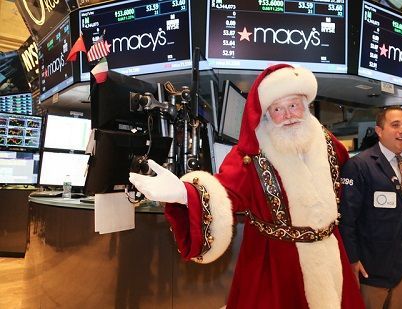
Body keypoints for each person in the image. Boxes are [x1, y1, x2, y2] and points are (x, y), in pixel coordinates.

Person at [129, 64, 365, 309]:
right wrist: (183, 193)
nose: (288, 115)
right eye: (277, 109)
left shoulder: (327, 141)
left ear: (305, 105)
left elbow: (350, 183)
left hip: (331, 259)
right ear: (265, 114)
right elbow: (225, 191)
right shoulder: (251, 153)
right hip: (275, 265)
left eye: (293, 105)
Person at [339, 106, 402, 309]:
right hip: (371, 270)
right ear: (379, 131)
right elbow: (347, 218)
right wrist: (352, 259)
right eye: (395, 125)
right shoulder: (360, 165)